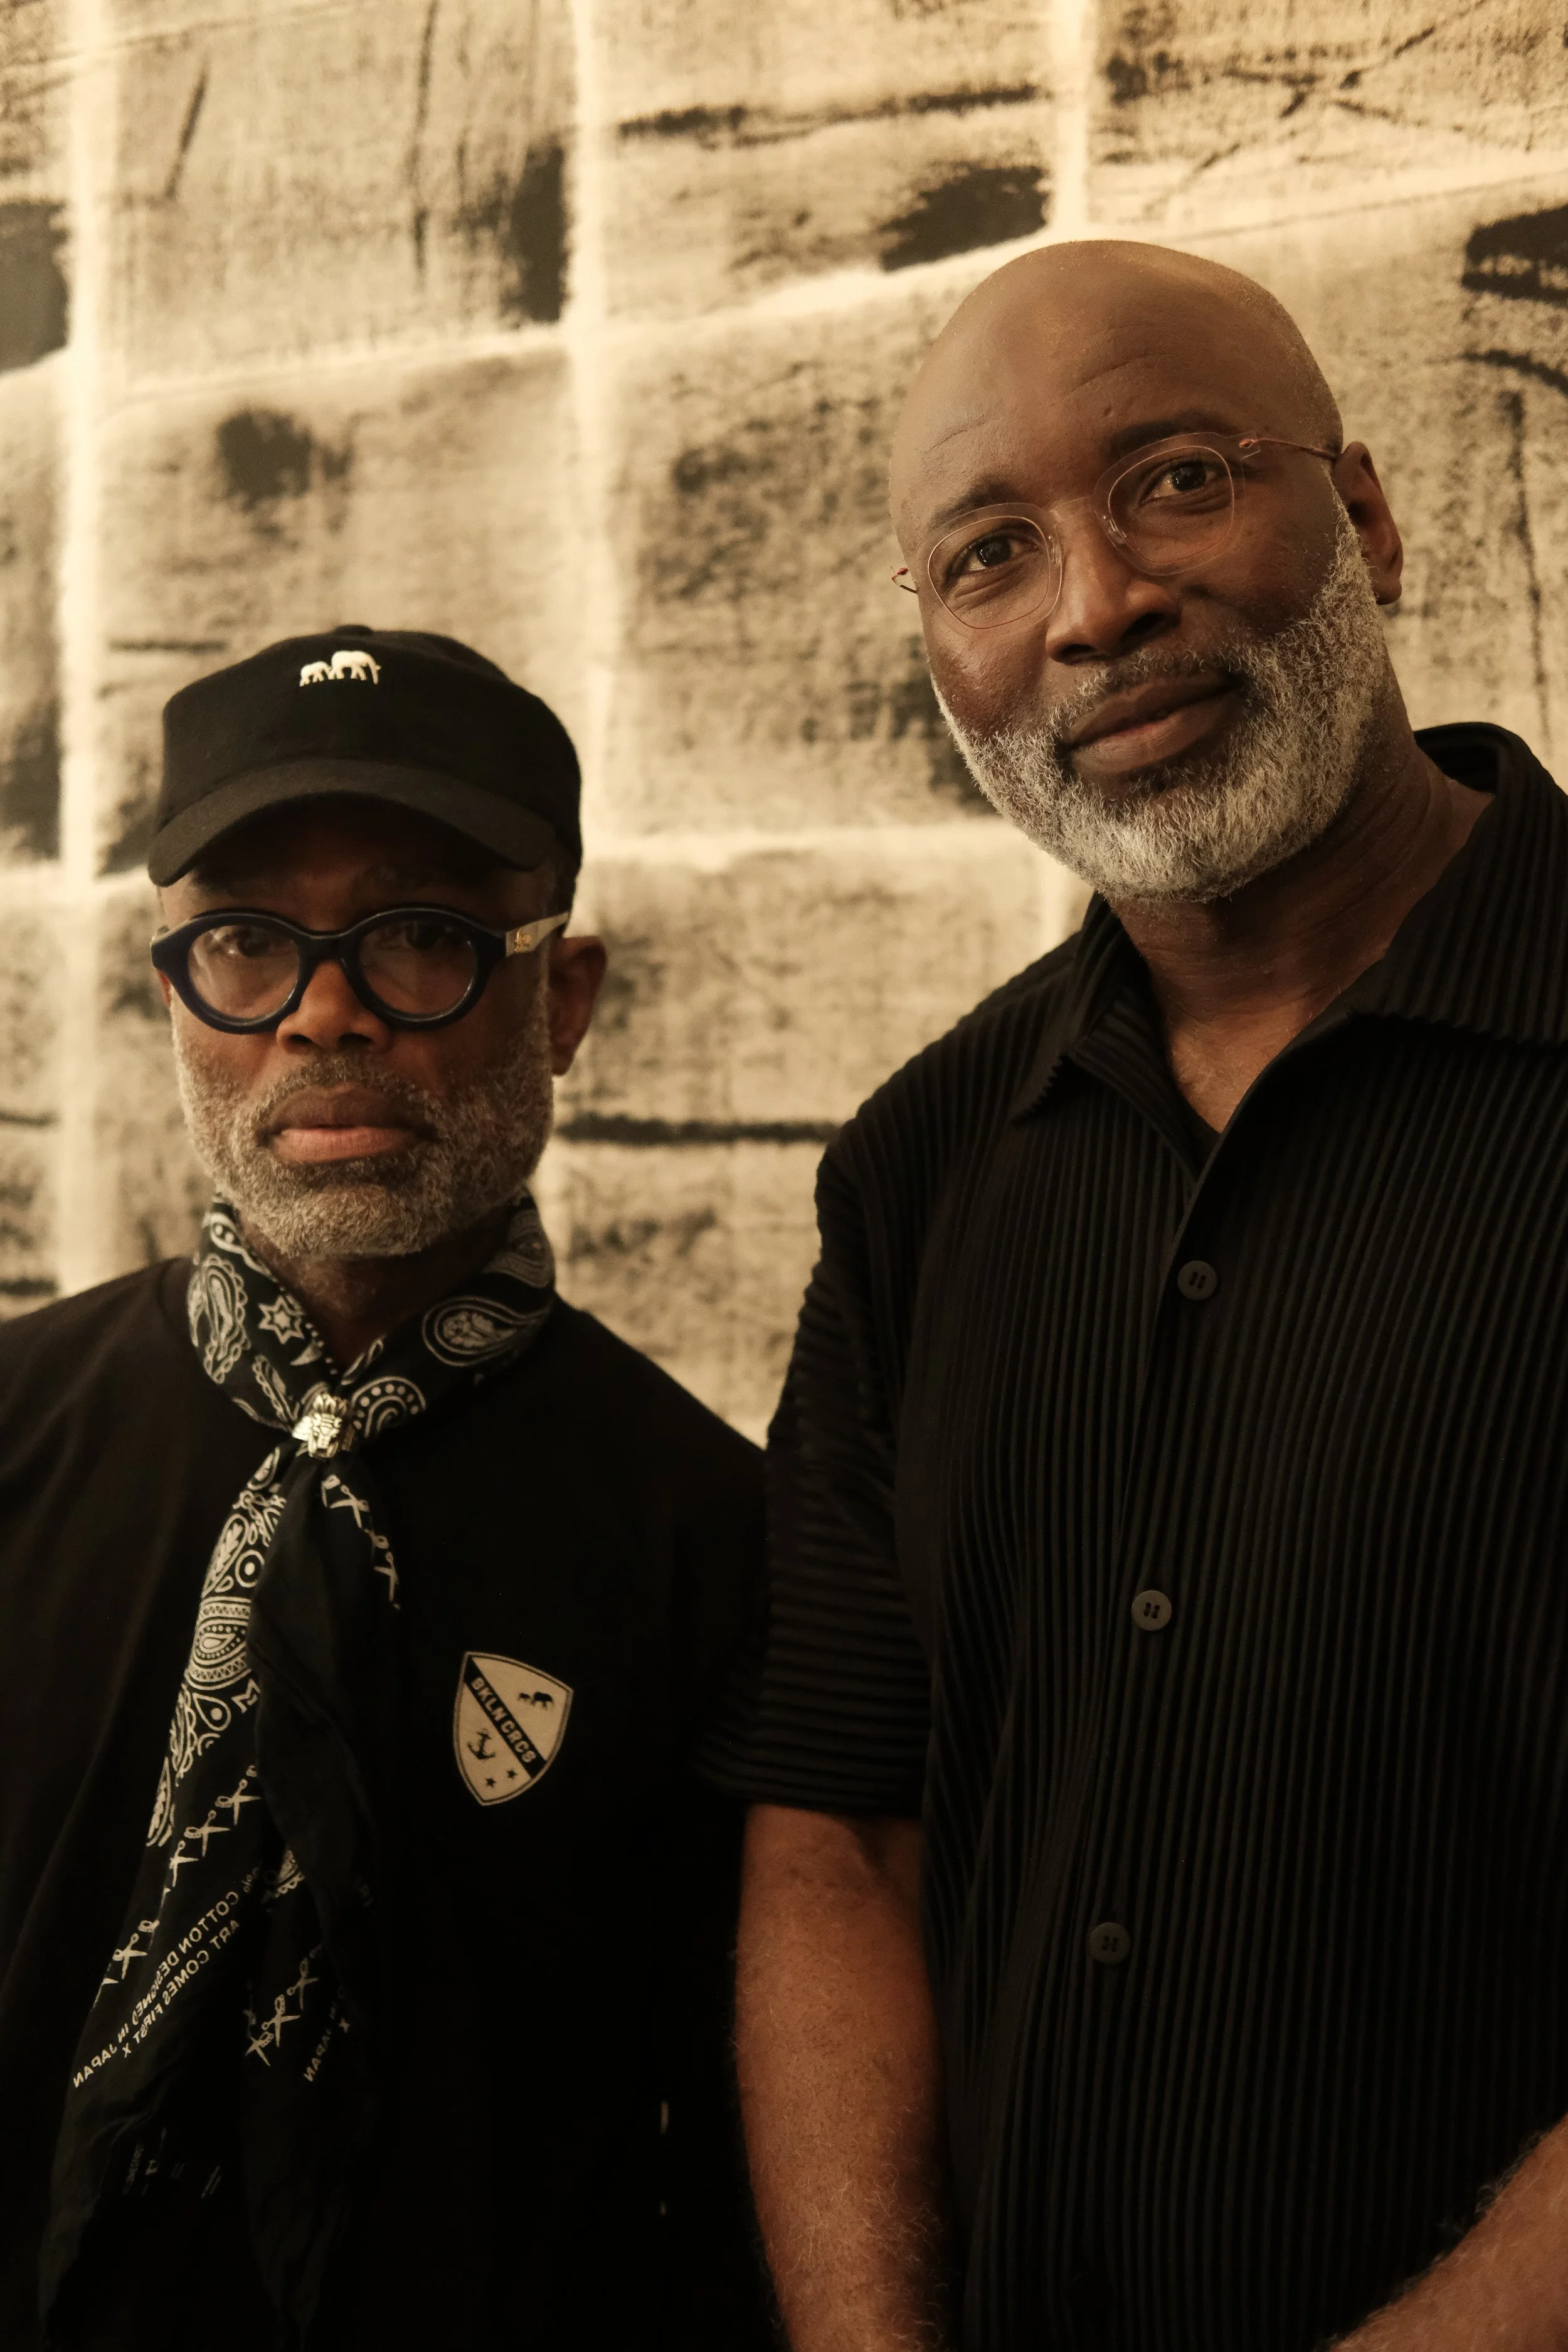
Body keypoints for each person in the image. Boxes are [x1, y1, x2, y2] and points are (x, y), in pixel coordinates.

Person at [717, 240, 1568, 2351]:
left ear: (1362, 517)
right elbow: (844, 1833)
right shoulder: (920, 1166)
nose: (1092, 605)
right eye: (987, 556)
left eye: (1177, 480)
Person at [0, 626, 769, 2351]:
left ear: (559, 997)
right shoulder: (14, 1438)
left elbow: (726, 2161)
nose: (323, 1010)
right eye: (248, 944)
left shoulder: (719, 1545)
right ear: (173, 997)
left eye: (418, 936)